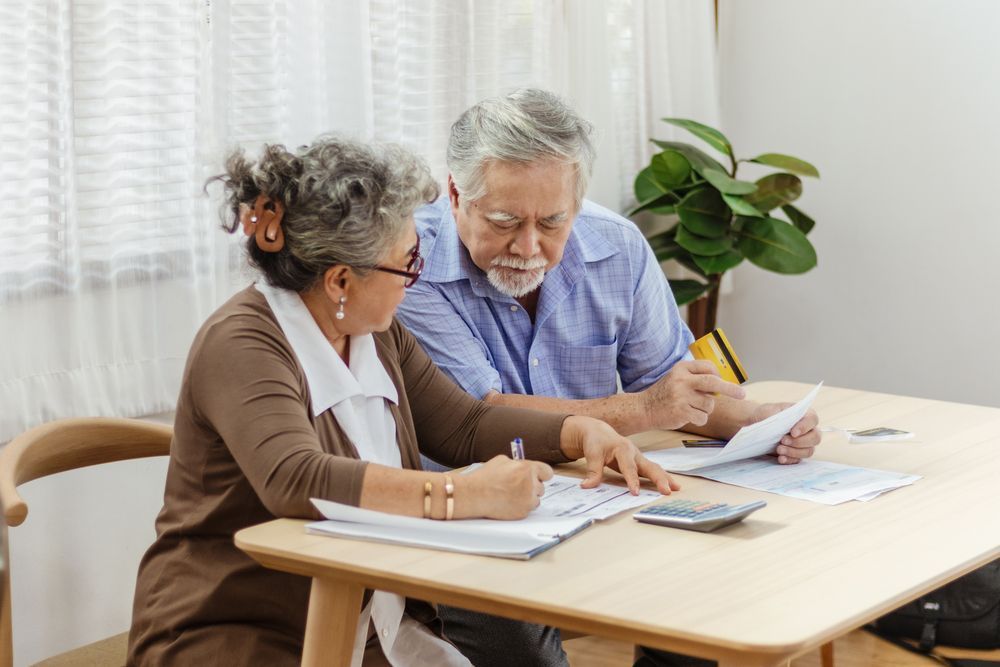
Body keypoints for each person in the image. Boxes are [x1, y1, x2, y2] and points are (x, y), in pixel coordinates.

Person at [126, 136, 678, 666]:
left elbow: (462, 425)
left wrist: (578, 432)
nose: (414, 281)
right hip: (244, 630)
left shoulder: (375, 331)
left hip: (370, 626)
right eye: (407, 264)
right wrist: (462, 493)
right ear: (341, 280)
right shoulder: (243, 341)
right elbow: (296, 478)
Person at [395, 89, 821, 667]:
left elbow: (671, 384)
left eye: (552, 220)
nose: (529, 247)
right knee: (518, 640)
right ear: (455, 195)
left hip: (598, 495)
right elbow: (479, 417)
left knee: (704, 598)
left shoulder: (615, 245)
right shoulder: (408, 264)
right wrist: (642, 411)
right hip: (473, 509)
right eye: (504, 221)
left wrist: (760, 423)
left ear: (577, 200)